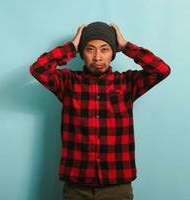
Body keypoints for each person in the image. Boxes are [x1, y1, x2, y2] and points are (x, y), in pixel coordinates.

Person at [29, 21, 171, 200]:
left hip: (117, 185)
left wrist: (126, 46)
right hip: (76, 186)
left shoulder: (127, 83)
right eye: (90, 49)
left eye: (104, 49)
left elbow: (161, 70)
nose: (97, 57)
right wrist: (72, 46)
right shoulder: (67, 83)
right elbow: (38, 69)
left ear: (113, 53)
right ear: (82, 53)